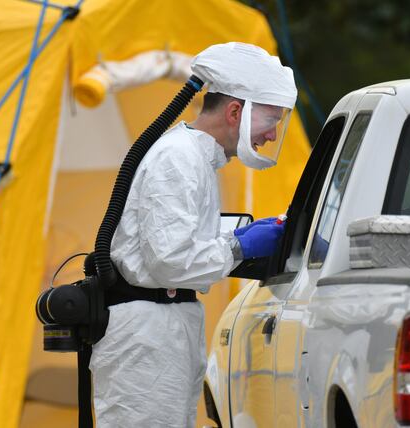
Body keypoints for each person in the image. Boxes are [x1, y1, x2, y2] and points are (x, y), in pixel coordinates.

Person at [89, 42, 297, 427]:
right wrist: (238, 246)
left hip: (163, 331)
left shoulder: (196, 159)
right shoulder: (178, 158)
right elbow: (169, 262)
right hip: (146, 338)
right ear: (236, 111)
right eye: (272, 121)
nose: (271, 136)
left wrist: (235, 241)